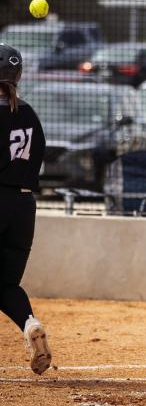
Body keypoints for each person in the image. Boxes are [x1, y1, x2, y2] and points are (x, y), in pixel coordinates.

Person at [0, 44, 52, 375]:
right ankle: (31, 325)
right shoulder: (28, 113)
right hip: (24, 207)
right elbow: (38, 157)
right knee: (5, 284)